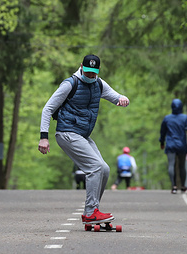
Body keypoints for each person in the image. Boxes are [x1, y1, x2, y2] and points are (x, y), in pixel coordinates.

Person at [38, 54, 130, 224]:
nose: (89, 76)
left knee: (105, 169)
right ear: (81, 66)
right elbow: (48, 109)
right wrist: (44, 137)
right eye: (87, 72)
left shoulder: (99, 84)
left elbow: (116, 96)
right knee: (95, 167)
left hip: (82, 136)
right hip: (67, 133)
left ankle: (93, 210)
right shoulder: (69, 84)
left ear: (98, 71)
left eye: (92, 73)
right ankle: (90, 213)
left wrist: (123, 99)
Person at [159, 99, 187, 194]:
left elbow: (162, 132)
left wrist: (162, 142)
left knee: (171, 165)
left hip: (170, 144)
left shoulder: (167, 118)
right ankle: (182, 185)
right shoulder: (185, 118)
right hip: (181, 145)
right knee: (182, 166)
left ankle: (174, 186)